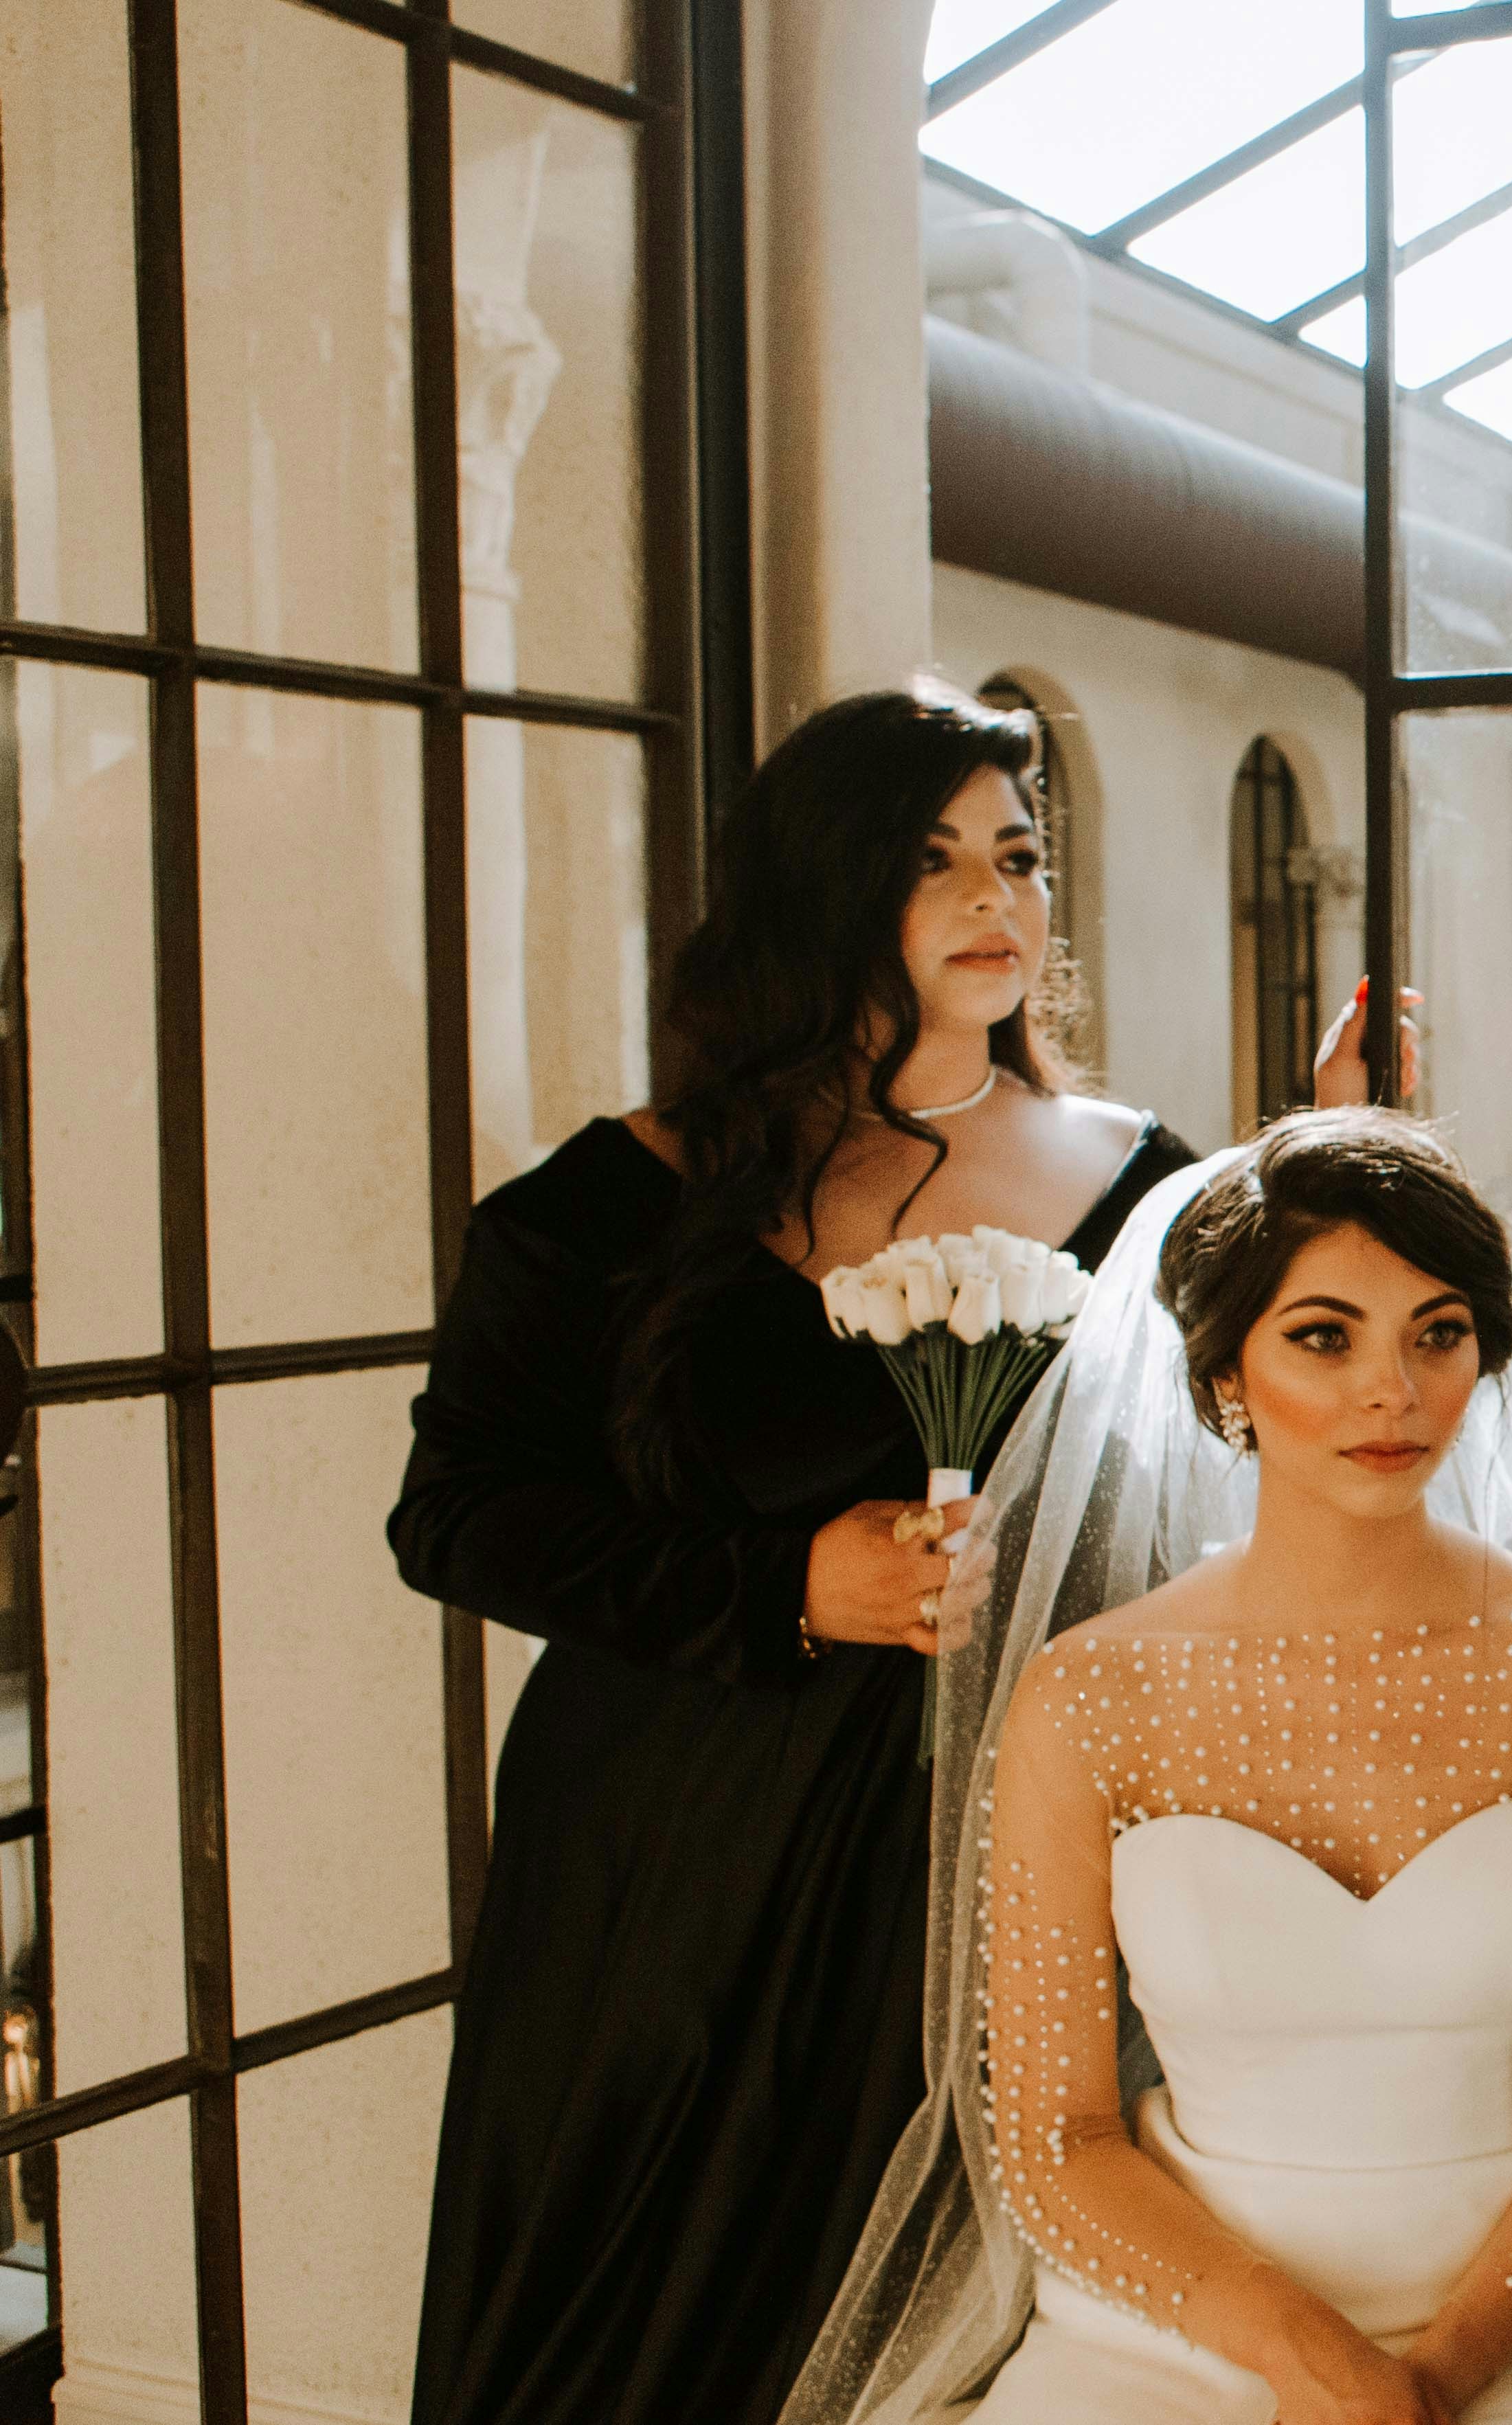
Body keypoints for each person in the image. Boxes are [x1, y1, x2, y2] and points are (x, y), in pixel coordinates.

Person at [394, 682, 1210, 2425]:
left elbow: (1282, 1438)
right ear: (826, 889)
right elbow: (454, 1509)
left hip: (992, 1874)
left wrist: (1350, 1157)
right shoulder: (622, 1202)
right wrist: (787, 1586)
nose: (998, 900)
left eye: (1019, 856)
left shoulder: (1153, 1195)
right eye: (937, 864)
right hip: (663, 1878)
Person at [781, 1108, 1512, 2425]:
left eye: (1436, 1333)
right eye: (1324, 1336)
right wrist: (1307, 2359)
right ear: (1223, 1375)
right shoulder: (1091, 1694)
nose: (1390, 1387)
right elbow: (1058, 2140)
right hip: (1176, 2312)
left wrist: (1429, 2383)